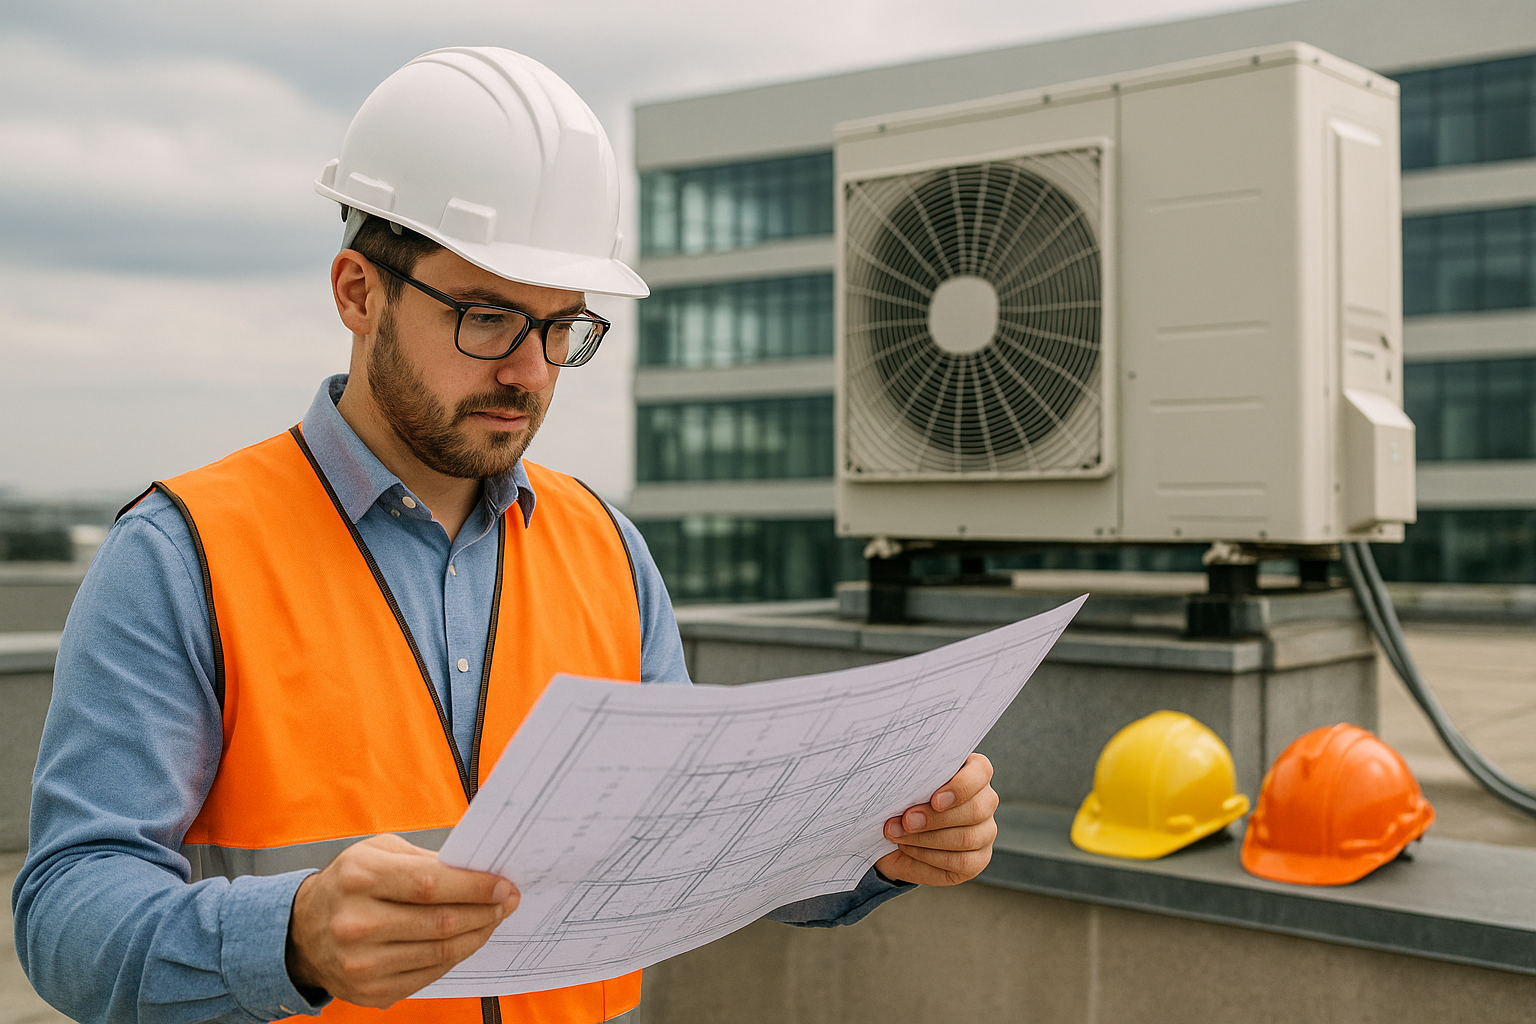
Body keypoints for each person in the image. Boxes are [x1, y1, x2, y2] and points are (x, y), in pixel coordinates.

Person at [13, 47, 1000, 1024]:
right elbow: (65, 914)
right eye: (487, 316)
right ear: (359, 292)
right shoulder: (184, 554)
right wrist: (291, 935)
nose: (531, 371)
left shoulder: (607, 549)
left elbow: (686, 853)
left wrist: (876, 839)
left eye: (563, 326)